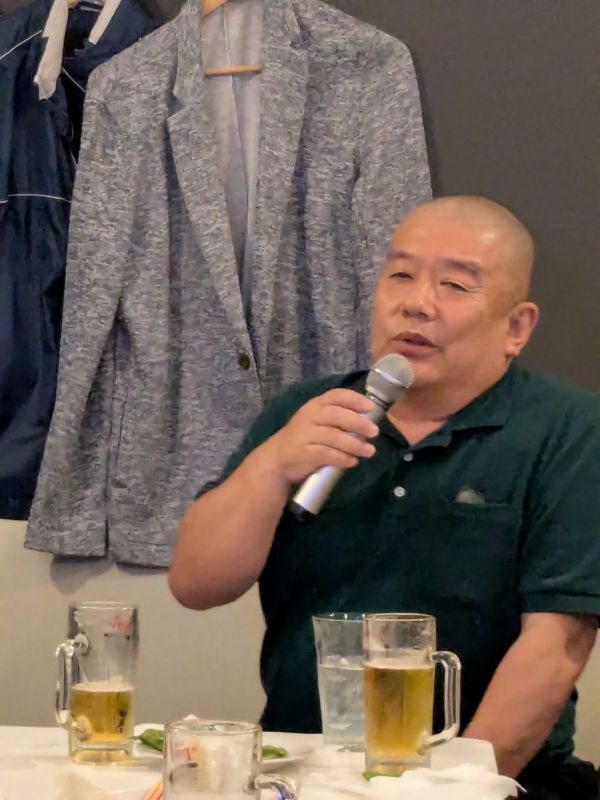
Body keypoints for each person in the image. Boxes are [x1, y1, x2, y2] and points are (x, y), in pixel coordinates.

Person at [168, 196, 600, 798]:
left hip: (489, 778)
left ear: (516, 327)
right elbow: (197, 585)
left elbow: (555, 648)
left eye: (455, 285)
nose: (416, 303)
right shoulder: (307, 412)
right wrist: (272, 465)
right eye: (400, 275)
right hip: (305, 768)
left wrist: (456, 789)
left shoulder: (570, 430)